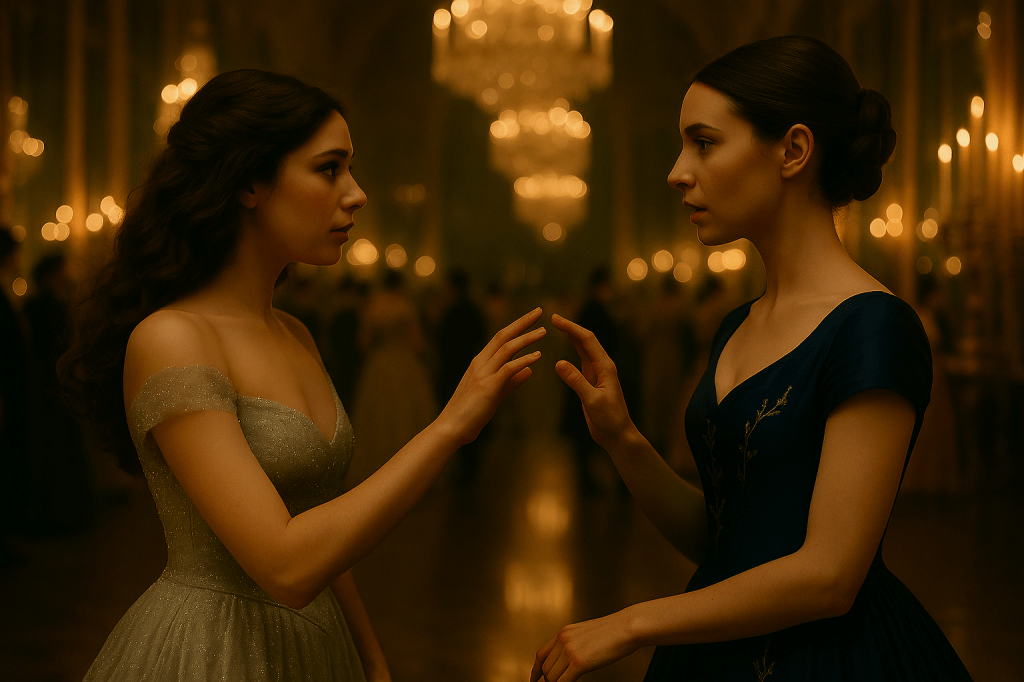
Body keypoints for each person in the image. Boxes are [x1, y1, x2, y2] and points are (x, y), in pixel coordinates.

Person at [59, 69, 546, 681]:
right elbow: (286, 565)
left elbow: (319, 518)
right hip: (213, 651)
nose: (357, 193)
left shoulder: (294, 334)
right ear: (250, 183)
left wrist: (371, 659)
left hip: (321, 648)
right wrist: (448, 427)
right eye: (329, 168)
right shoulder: (174, 338)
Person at [534, 37, 973, 681]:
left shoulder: (875, 328)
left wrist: (630, 623)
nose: (677, 171)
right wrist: (623, 439)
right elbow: (726, 541)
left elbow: (829, 576)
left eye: (704, 143)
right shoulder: (739, 323)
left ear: (793, 150)